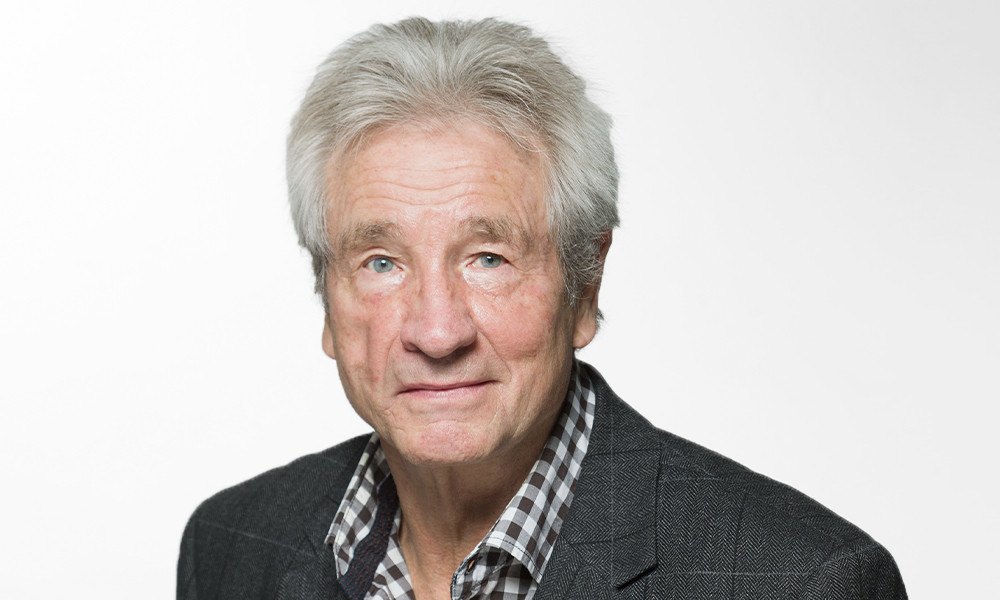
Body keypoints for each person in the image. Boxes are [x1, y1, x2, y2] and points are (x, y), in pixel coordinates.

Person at [177, 17, 906, 600]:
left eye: (488, 258)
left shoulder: (805, 582)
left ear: (585, 286)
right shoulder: (231, 545)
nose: (437, 332)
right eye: (381, 263)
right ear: (326, 298)